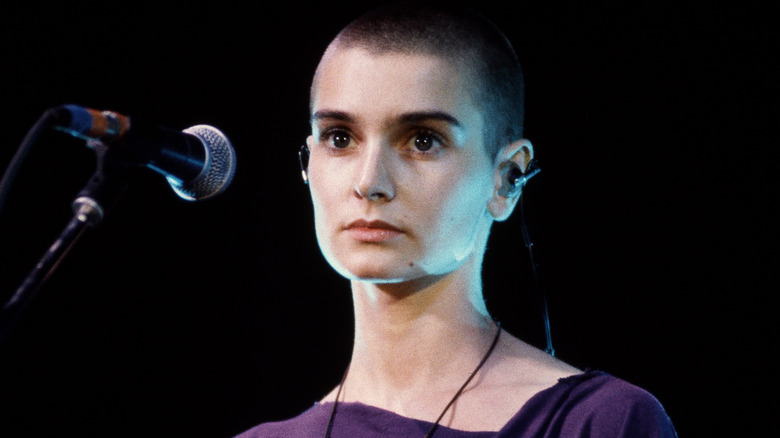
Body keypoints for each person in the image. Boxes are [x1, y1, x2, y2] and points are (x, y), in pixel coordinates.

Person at [236, 3, 677, 437]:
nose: (370, 182)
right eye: (340, 137)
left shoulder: (600, 423)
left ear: (507, 179)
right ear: (308, 163)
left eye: (423, 141)